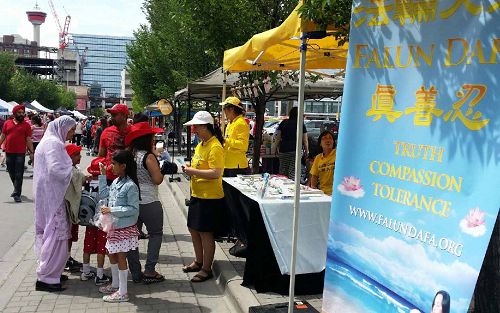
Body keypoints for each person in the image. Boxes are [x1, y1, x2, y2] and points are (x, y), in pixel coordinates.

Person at [33, 115, 76, 292]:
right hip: (53, 196)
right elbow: (57, 169)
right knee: (56, 234)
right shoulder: (54, 143)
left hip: (49, 195)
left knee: (54, 232)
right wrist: (74, 173)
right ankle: (47, 277)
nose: (72, 134)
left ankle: (53, 272)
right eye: (71, 130)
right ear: (63, 128)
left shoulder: (49, 141)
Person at [181, 111, 225, 283]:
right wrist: (189, 168)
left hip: (210, 197)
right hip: (197, 194)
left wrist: (193, 171)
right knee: (193, 229)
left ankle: (207, 268)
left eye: (196, 126)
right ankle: (198, 261)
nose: (194, 130)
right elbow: (199, 165)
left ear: (206, 126)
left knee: (206, 233)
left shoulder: (215, 147)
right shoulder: (201, 145)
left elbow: (216, 173)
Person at [125, 122, 169, 284]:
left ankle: (135, 272)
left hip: (130, 201)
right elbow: (157, 179)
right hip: (149, 200)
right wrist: (163, 169)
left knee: (131, 237)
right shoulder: (148, 156)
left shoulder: (129, 155)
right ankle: (150, 270)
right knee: (156, 233)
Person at [97, 150, 140, 302]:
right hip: (114, 227)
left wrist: (112, 209)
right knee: (112, 254)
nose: (111, 167)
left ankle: (123, 292)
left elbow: (134, 210)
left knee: (121, 257)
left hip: (124, 228)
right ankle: (116, 284)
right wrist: (102, 175)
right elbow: (103, 195)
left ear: (123, 166)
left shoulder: (130, 186)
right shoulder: (116, 182)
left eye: (114, 164)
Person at [220, 97, 250, 256]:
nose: (224, 112)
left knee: (238, 205)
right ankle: (239, 235)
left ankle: (244, 238)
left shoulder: (241, 124)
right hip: (229, 166)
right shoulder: (231, 123)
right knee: (232, 205)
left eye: (226, 108)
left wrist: (226, 141)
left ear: (231, 109)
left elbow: (243, 145)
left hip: (237, 167)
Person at [0, 105, 35, 203]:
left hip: (20, 152)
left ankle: (17, 193)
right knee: (11, 172)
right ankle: (16, 188)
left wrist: (32, 151)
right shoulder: (7, 123)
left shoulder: (26, 125)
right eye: (19, 113)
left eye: (22, 112)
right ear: (14, 113)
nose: (21, 114)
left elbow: (28, 139)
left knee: (19, 173)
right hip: (9, 151)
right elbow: (3, 136)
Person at [63, 144, 87, 273]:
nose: (80, 156)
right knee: (67, 235)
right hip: (67, 208)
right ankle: (65, 259)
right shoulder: (68, 170)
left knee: (70, 235)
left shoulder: (73, 168)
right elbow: (80, 180)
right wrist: (85, 179)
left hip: (71, 208)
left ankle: (67, 257)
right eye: (76, 154)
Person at [98, 104, 130, 184]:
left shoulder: (134, 132)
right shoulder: (106, 132)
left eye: (115, 115)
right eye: (111, 115)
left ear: (124, 116)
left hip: (129, 177)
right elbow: (101, 156)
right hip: (109, 177)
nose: (112, 118)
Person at [275, 107, 309, 180]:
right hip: (295, 151)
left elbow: (278, 138)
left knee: (283, 172)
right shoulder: (300, 124)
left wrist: (276, 148)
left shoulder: (283, 122)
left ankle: (282, 187)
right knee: (293, 172)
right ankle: (292, 189)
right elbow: (305, 140)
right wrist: (306, 151)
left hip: (283, 151)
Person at [309, 130, 336, 195]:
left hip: (337, 193)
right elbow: (314, 176)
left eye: (330, 138)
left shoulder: (338, 154)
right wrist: (314, 189)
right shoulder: (318, 158)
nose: (328, 140)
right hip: (323, 193)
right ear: (320, 143)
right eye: (324, 138)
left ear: (333, 142)